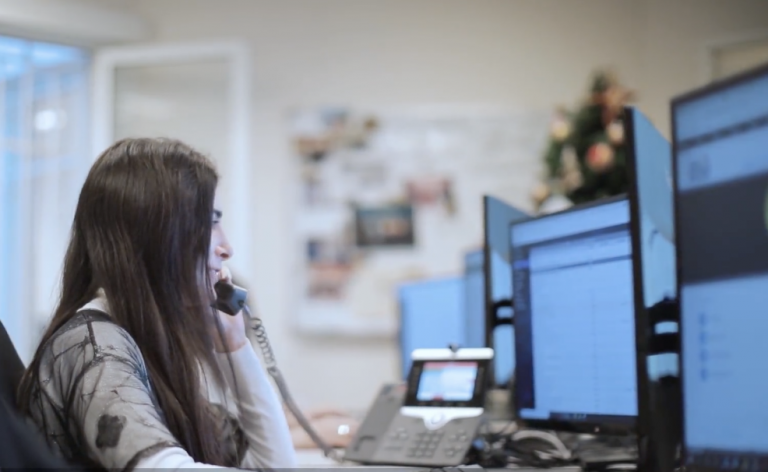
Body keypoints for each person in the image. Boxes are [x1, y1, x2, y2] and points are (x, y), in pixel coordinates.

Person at [17, 138, 296, 470]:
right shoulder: (95, 344)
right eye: (210, 223)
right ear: (159, 234)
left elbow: (274, 465)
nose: (226, 248)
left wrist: (235, 346)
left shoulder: (144, 341)